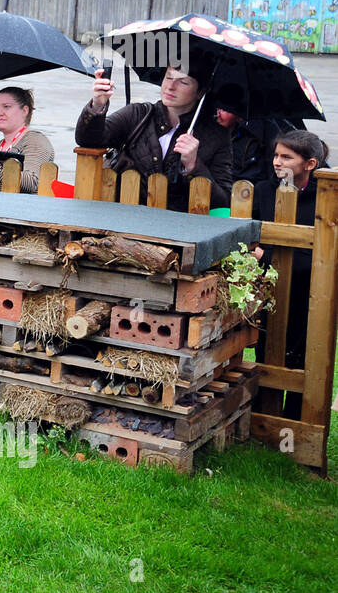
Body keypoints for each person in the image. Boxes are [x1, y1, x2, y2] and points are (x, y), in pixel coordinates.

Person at [75, 64, 233, 211]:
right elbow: (88, 140)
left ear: (200, 92)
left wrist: (194, 167)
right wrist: (97, 106)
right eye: (168, 77)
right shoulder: (138, 115)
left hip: (179, 231)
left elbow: (222, 202)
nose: (170, 87)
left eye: (183, 82)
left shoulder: (217, 136)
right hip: (123, 218)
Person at [251, 131, 329, 420]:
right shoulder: (263, 190)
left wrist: (265, 257)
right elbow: (252, 236)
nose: (277, 161)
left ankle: (295, 419)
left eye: (286, 156)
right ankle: (261, 417)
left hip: (309, 292)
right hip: (269, 289)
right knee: (265, 349)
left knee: (301, 357)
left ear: (309, 163)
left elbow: (320, 254)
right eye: (275, 155)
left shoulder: (325, 197)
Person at [214, 84, 292, 190]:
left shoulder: (257, 135)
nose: (218, 113)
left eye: (225, 109)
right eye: (217, 107)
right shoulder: (206, 130)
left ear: (239, 114)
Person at [0, 86, 53, 193]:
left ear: (25, 111)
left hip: (23, 207)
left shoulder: (35, 141)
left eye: (6, 106)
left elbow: (31, 182)